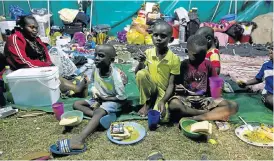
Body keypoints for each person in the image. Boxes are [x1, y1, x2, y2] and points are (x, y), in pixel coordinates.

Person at [53, 45, 127, 153]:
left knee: (99, 111)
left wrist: (104, 99)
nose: (96, 58)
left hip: (113, 101)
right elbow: (92, 82)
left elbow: (122, 99)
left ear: (111, 60)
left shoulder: (116, 76)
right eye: (95, 55)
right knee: (77, 104)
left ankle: (79, 139)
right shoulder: (95, 68)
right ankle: (101, 118)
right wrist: (93, 91)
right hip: (99, 99)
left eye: (101, 56)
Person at [2, 15, 87, 96]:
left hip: (36, 68)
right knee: (53, 79)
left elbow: (44, 52)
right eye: (31, 27)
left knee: (55, 67)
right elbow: (23, 61)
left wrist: (49, 65)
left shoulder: (35, 38)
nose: (35, 30)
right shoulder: (15, 39)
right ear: (22, 27)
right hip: (20, 72)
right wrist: (46, 67)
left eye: (36, 27)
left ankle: (72, 87)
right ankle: (77, 89)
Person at [168, 34, 238, 121]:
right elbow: (175, 84)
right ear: (187, 51)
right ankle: (207, 114)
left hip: (204, 99)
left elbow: (215, 86)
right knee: (173, 105)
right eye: (196, 56)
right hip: (186, 99)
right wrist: (178, 88)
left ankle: (196, 117)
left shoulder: (208, 64)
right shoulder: (183, 65)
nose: (200, 58)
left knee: (233, 106)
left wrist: (215, 95)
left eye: (203, 55)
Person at [135, 20, 181, 120]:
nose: (158, 39)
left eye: (163, 36)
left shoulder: (174, 59)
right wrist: (141, 62)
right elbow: (137, 74)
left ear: (171, 39)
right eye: (155, 35)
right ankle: (148, 103)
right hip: (151, 88)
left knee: (163, 118)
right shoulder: (148, 53)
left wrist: (163, 101)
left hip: (162, 92)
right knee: (141, 74)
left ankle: (156, 102)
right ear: (152, 37)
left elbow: (171, 84)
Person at [237, 46, 273, 110]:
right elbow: (258, 79)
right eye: (270, 49)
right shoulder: (266, 65)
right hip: (269, 94)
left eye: (273, 49)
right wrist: (246, 83)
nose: (270, 51)